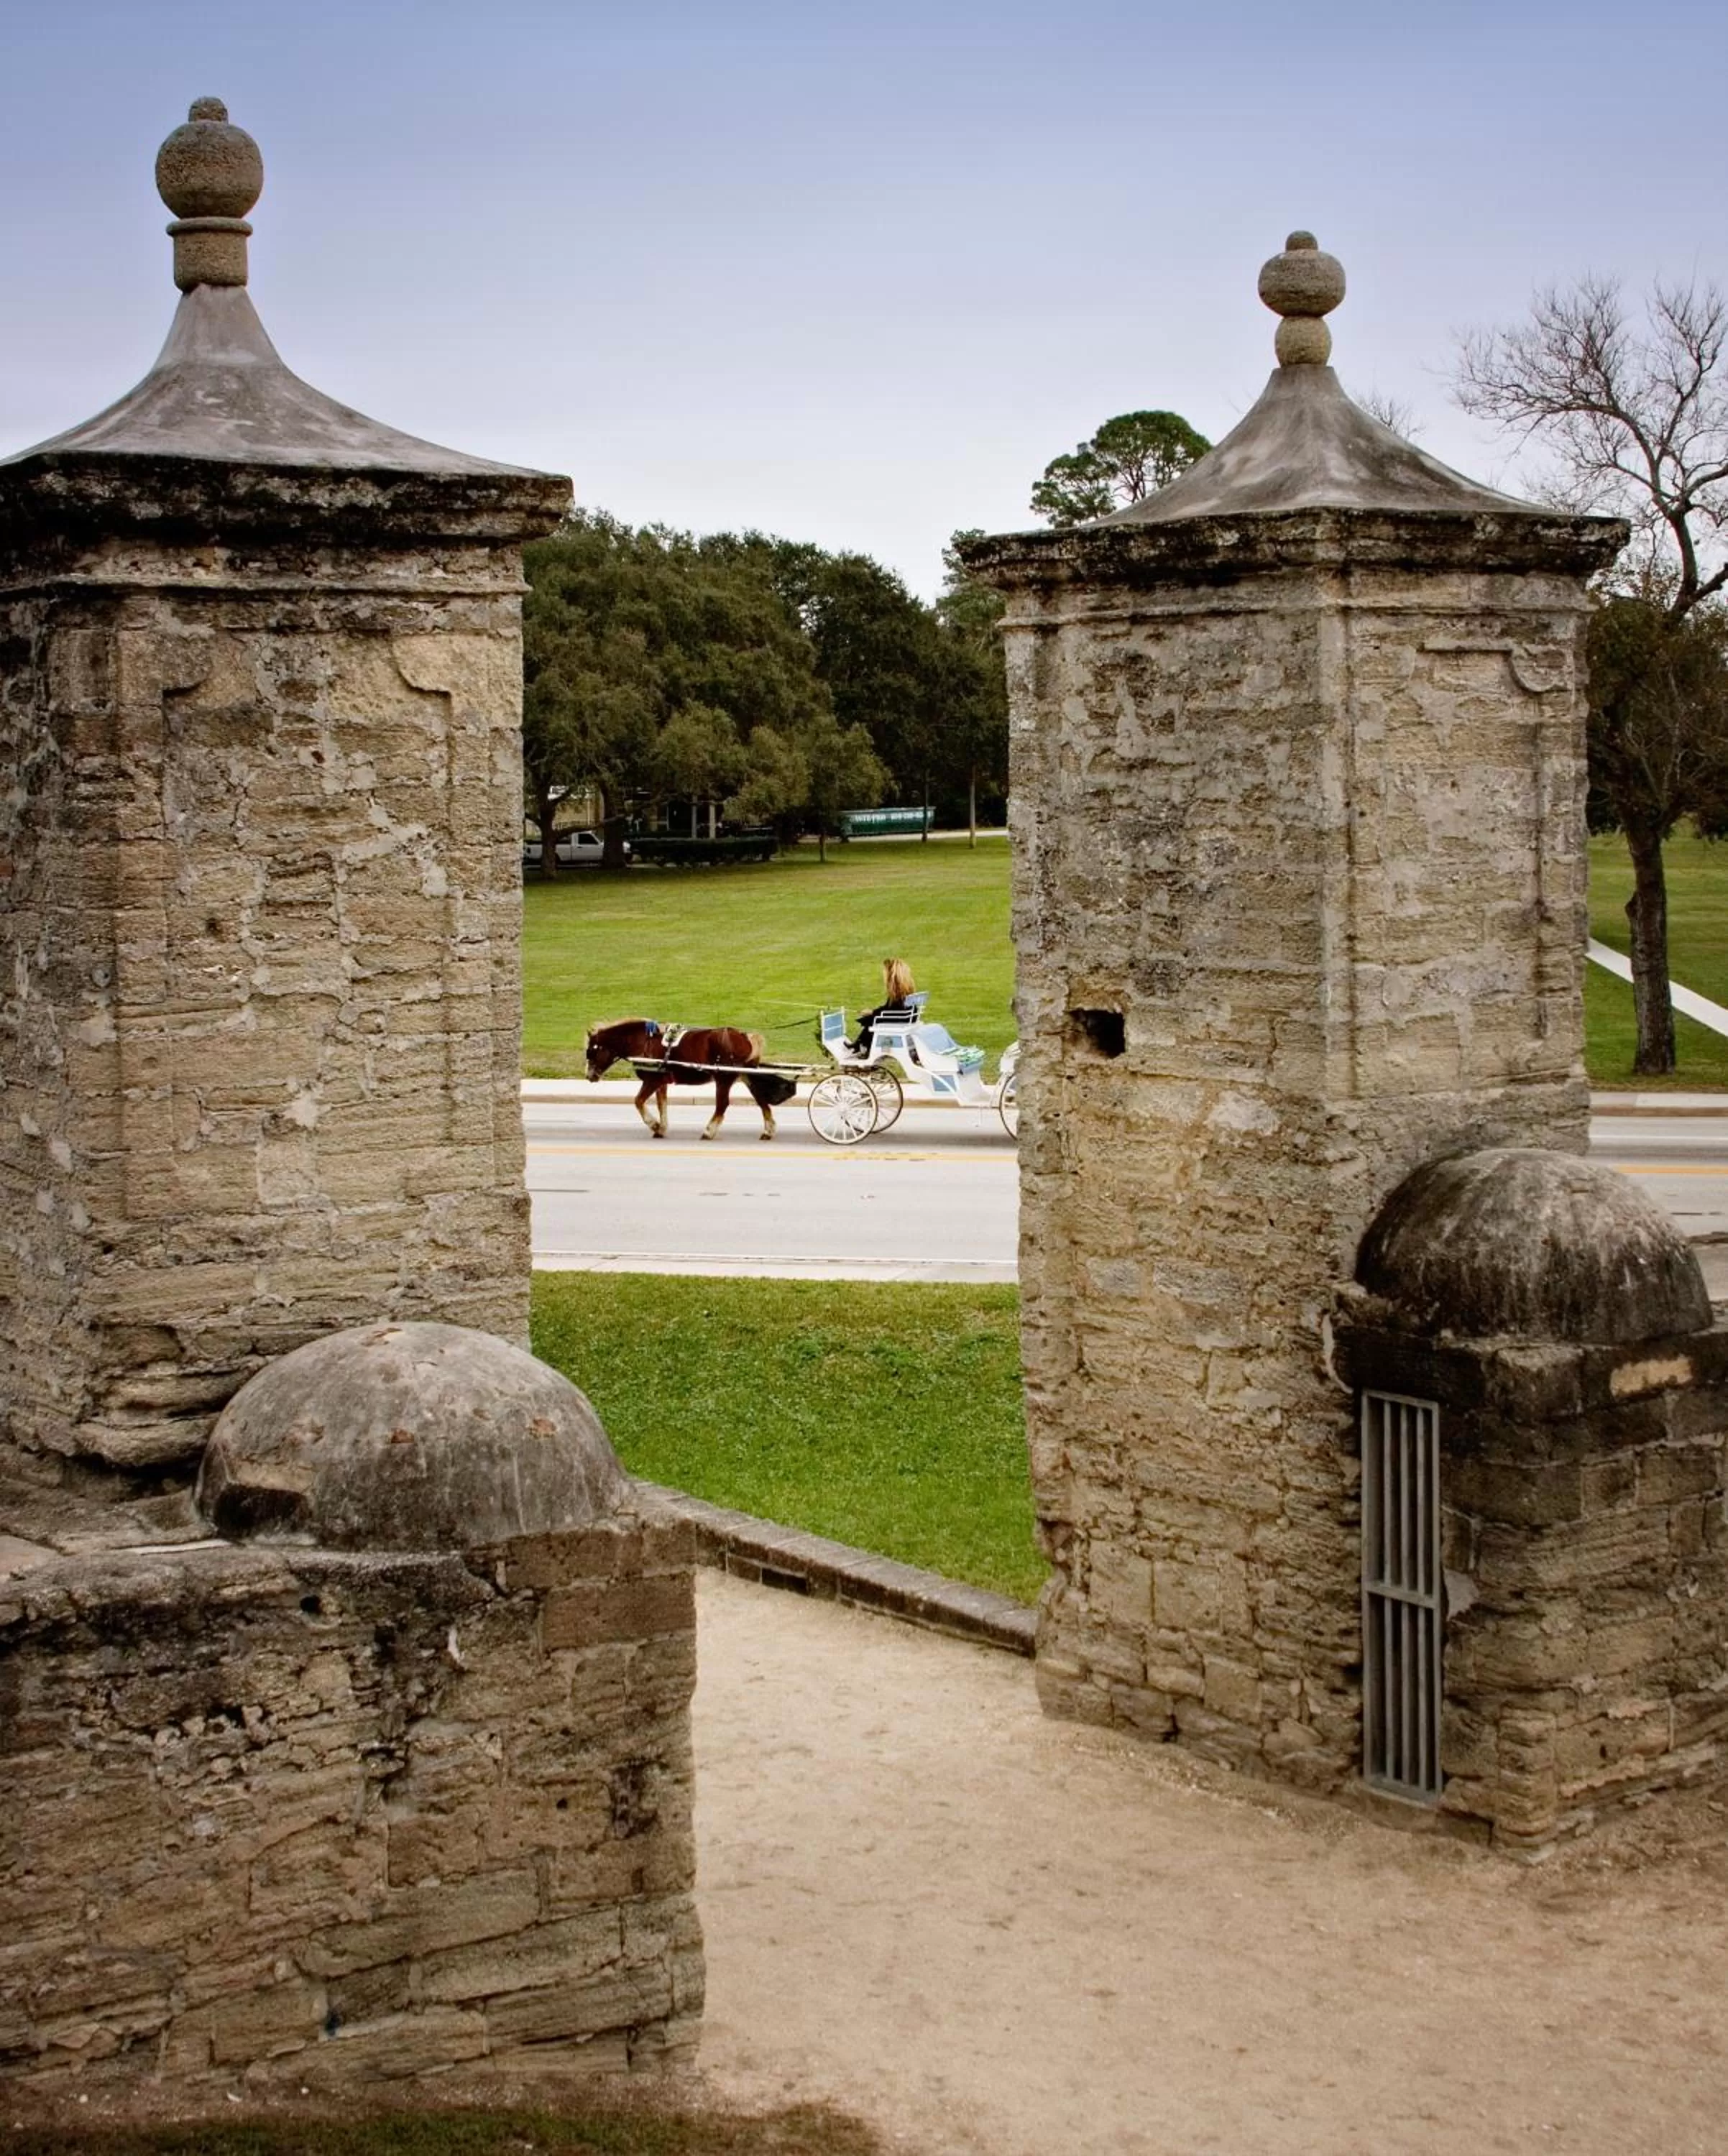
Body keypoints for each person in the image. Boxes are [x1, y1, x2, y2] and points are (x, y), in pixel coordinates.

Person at [850, 958, 916, 1059]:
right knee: (872, 1018)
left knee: (872, 1020)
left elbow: (889, 1010)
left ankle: (866, 1048)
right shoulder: (904, 990)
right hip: (905, 1017)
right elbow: (888, 1008)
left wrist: (873, 1013)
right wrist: (873, 1012)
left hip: (900, 1018)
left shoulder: (897, 993)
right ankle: (859, 1044)